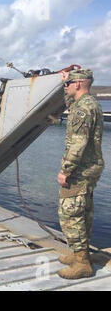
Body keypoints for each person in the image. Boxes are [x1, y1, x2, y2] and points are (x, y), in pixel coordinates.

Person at [57, 69, 104, 279]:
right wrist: (63, 82)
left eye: (68, 84)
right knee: (84, 211)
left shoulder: (82, 110)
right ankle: (80, 254)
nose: (66, 87)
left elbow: (78, 142)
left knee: (70, 213)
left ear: (78, 84)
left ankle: (82, 263)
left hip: (80, 169)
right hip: (90, 167)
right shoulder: (88, 103)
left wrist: (66, 170)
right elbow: (70, 104)